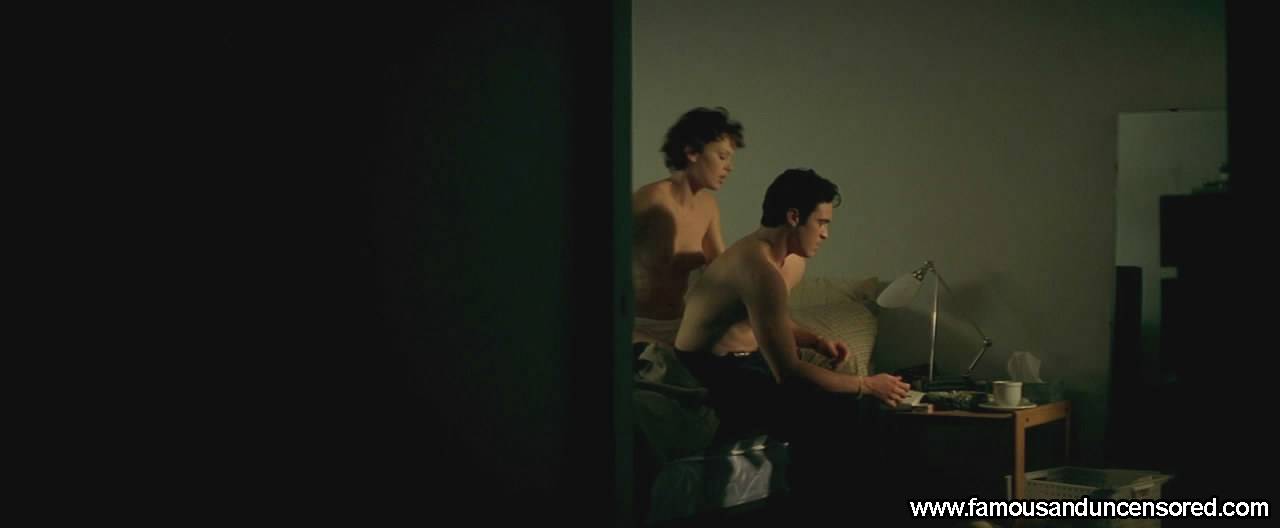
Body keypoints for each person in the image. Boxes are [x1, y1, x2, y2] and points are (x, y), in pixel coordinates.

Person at [672, 169, 912, 511]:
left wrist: (813, 340)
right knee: (834, 412)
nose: (826, 234)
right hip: (707, 369)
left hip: (746, 359)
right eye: (821, 222)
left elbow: (766, 321)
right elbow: (789, 372)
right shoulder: (757, 268)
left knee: (860, 412)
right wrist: (867, 384)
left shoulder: (787, 261)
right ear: (794, 217)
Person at [631, 107, 741, 347]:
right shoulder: (650, 199)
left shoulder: (708, 206)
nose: (729, 167)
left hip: (679, 326)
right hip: (637, 326)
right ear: (692, 152)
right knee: (667, 362)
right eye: (722, 157)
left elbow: (722, 268)